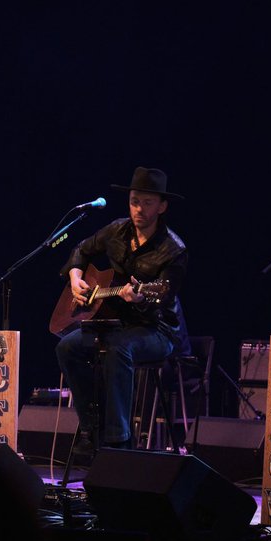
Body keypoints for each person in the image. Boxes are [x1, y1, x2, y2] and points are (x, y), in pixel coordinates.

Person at [54, 166, 190, 453]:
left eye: (147, 203)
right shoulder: (116, 230)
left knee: (118, 348)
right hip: (117, 323)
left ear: (162, 206)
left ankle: (118, 441)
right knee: (67, 347)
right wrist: (75, 276)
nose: (139, 209)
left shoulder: (174, 249)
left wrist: (141, 297)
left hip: (157, 329)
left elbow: (163, 297)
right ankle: (93, 426)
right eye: (134, 201)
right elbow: (82, 249)